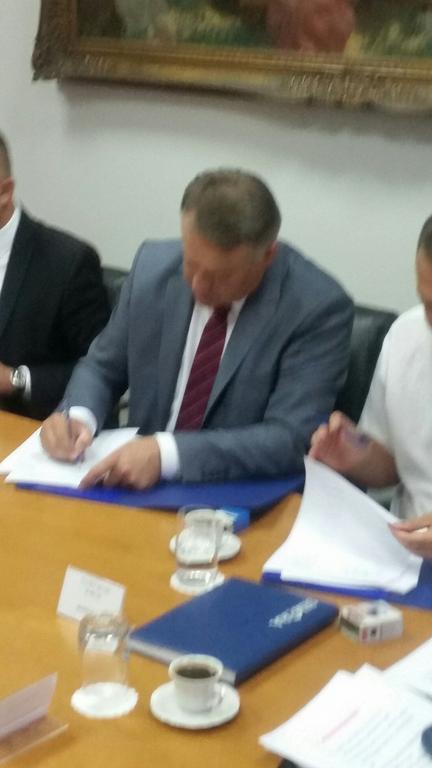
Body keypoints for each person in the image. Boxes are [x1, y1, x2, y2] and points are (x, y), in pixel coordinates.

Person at [41, 168, 353, 489]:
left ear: (267, 256)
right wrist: (79, 417)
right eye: (191, 264)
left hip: (237, 492)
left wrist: (167, 453)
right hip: (134, 484)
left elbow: (288, 437)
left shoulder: (316, 307)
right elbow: (102, 367)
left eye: (221, 275)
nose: (199, 287)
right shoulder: (152, 267)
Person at [310, 214, 432, 559]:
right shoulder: (407, 336)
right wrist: (355, 452)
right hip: (404, 556)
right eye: (427, 303)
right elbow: (394, 465)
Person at [0, 132, 110, 420]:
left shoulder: (68, 262)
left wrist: (15, 379)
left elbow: (103, 372)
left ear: (5, 192)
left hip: (28, 429)